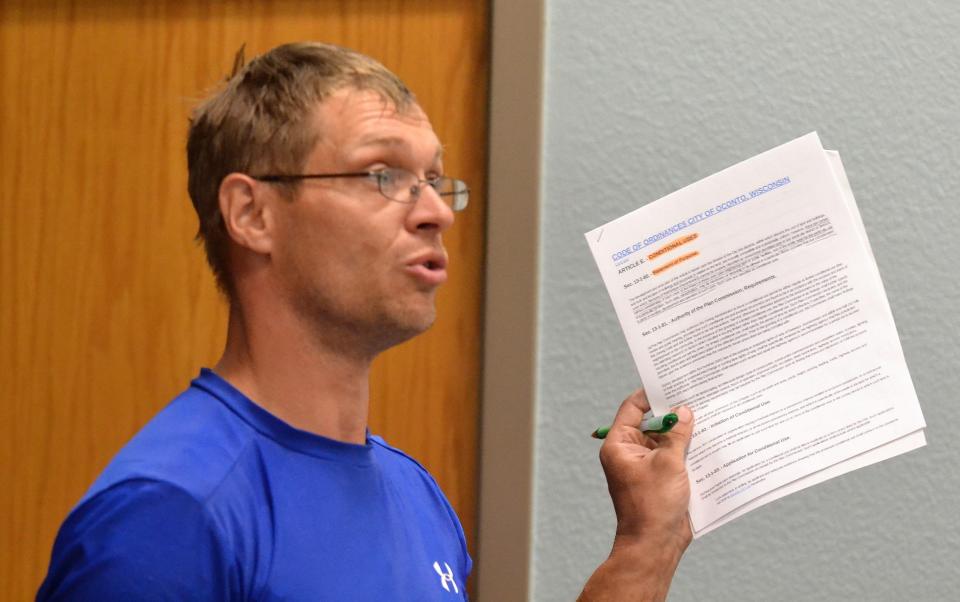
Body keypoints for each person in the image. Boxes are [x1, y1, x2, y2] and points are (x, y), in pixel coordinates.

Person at [37, 42, 694, 601]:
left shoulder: (416, 495)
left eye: (435, 179)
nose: (436, 211)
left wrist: (646, 543)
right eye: (383, 175)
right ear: (252, 214)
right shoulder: (168, 514)